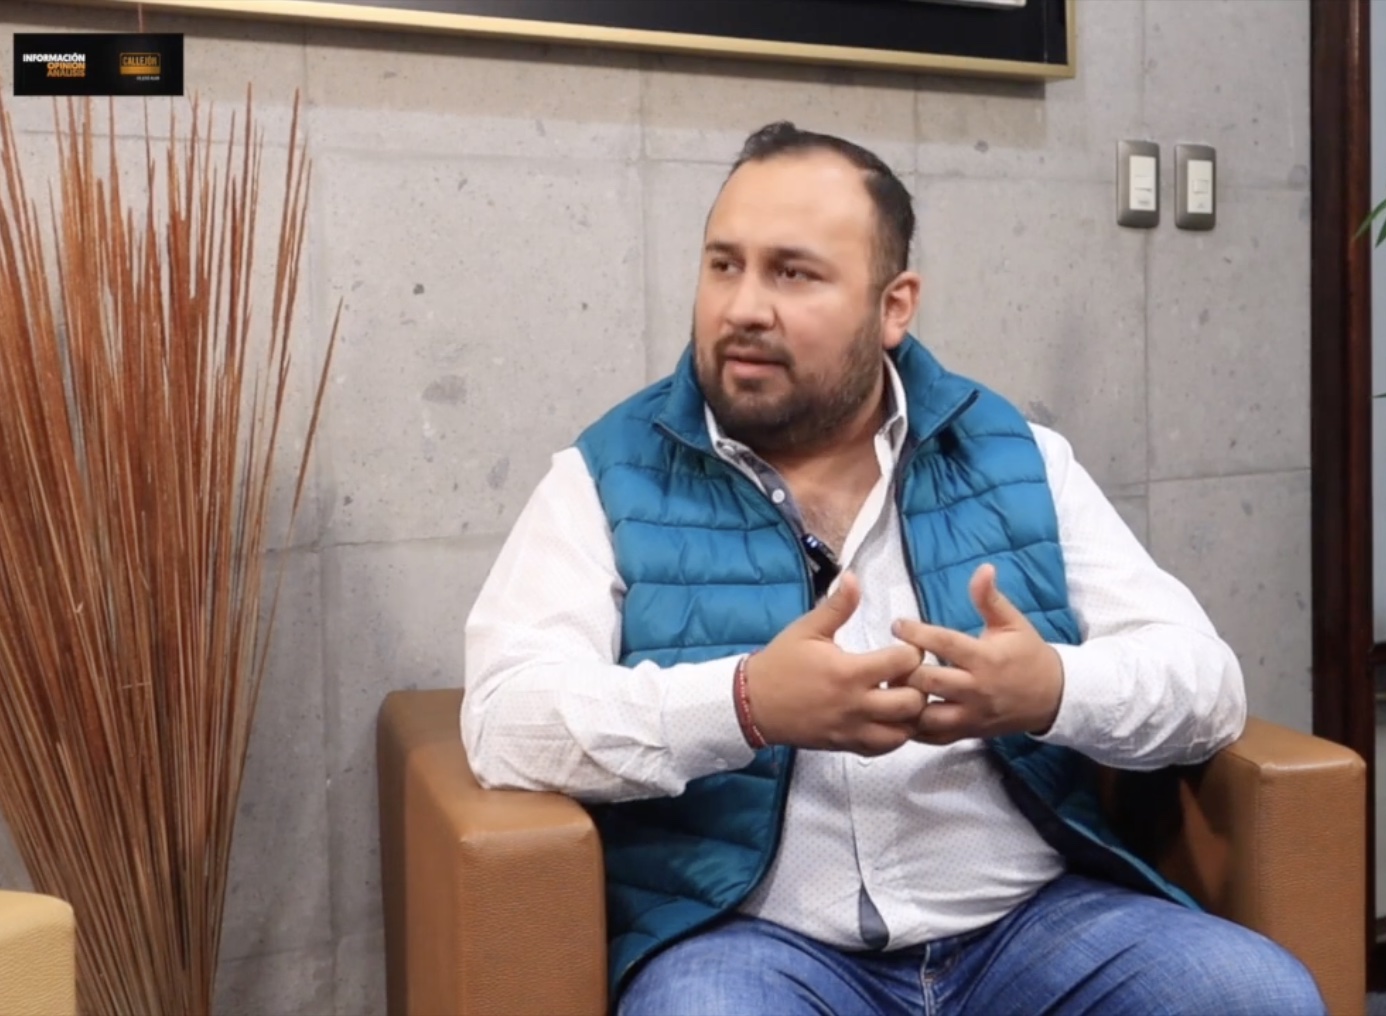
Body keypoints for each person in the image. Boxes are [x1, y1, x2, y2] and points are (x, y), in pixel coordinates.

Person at [461, 121, 1327, 1016]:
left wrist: (1053, 690)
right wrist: (744, 705)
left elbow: (1206, 687)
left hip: (1030, 923)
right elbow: (505, 719)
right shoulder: (608, 476)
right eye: (724, 265)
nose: (743, 307)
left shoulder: (1015, 457)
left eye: (793, 273)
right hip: (752, 942)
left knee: (1255, 996)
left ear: (894, 306)